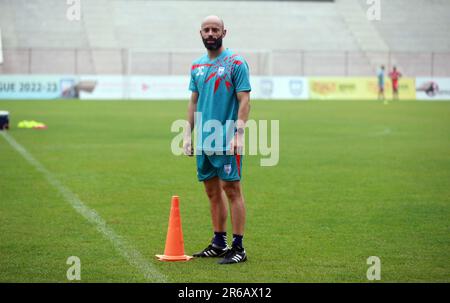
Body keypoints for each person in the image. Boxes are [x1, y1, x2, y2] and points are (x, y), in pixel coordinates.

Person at [183, 15, 251, 264]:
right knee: (212, 192)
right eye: (206, 29)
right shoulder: (197, 66)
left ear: (224, 32)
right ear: (200, 33)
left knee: (232, 190)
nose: (210, 33)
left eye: (215, 29)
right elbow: (193, 101)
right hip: (203, 141)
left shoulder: (236, 63)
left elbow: (245, 100)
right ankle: (219, 242)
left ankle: (239, 247)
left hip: (226, 140)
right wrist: (186, 135)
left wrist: (238, 134)